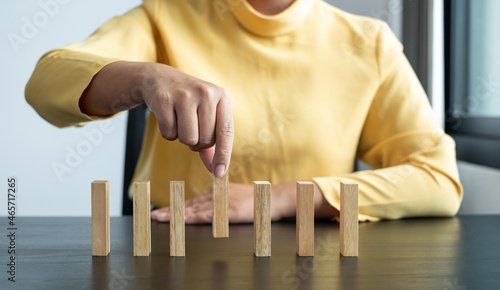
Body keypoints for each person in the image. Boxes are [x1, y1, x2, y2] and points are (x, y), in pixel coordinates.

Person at [25, 0, 463, 223]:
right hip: (167, 249)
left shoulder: (371, 43)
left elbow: (439, 181)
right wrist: (144, 76)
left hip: (310, 259)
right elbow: (46, 84)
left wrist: (283, 198)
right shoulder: (165, 14)